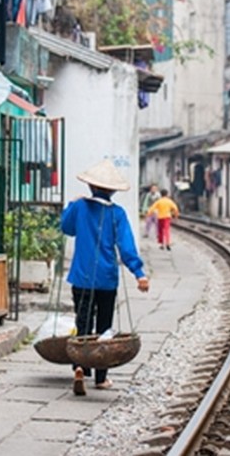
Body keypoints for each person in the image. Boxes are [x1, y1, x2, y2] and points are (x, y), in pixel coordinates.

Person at [61, 159, 150, 396]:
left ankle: (80, 368)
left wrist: (71, 204)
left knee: (83, 321)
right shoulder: (117, 214)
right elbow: (126, 246)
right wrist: (139, 273)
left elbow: (67, 228)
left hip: (81, 276)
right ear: (112, 190)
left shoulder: (80, 208)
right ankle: (101, 378)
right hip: (106, 279)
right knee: (104, 327)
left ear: (90, 186)